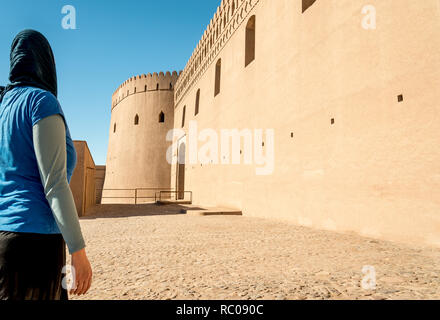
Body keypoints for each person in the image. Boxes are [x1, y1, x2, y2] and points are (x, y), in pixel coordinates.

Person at [0, 30, 92, 300]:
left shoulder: (3, 106)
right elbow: (54, 183)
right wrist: (79, 251)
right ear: (45, 62)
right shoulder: (41, 101)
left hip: (5, 239)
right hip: (37, 242)